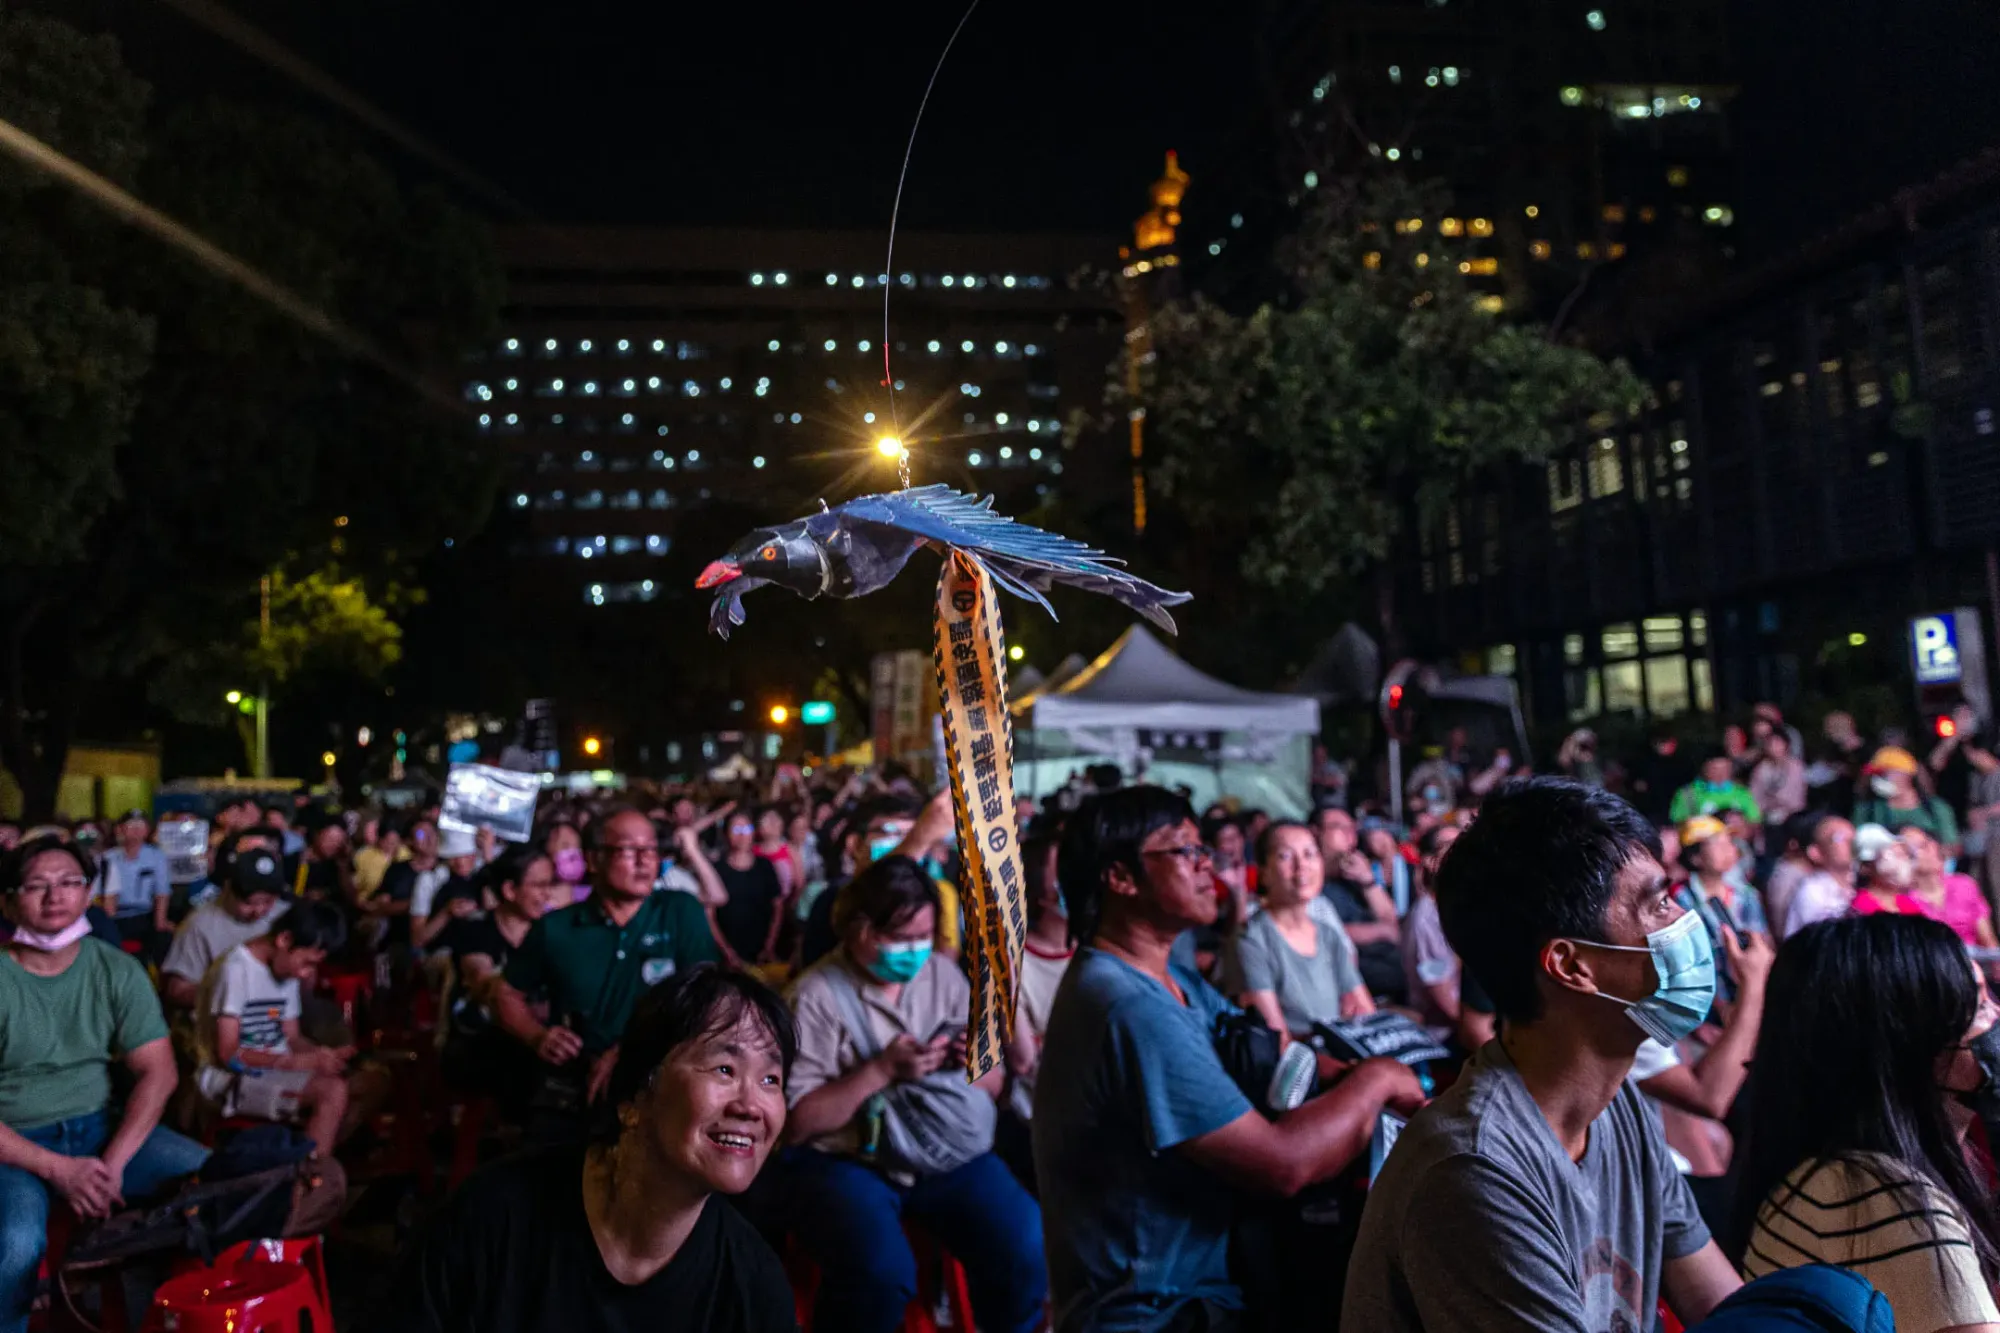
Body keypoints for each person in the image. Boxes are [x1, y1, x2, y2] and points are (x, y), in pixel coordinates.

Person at [1342, 777, 1740, 1333]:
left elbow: (1722, 1303)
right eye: (1658, 905)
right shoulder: (1475, 1170)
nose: (1685, 926)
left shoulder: (1621, 1106)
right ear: (1572, 965)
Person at [1037, 787, 1426, 1331]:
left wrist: (1351, 1074)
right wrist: (1378, 1079)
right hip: (1155, 1313)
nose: (1208, 867)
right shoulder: (1127, 1006)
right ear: (1121, 878)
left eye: (1204, 851)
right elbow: (1281, 1165)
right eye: (1184, 852)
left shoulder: (1175, 982)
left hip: (1205, 1286)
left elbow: (1271, 1052)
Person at [384, 966, 799, 1333]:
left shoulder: (751, 1284)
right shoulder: (493, 1219)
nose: (751, 1107)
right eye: (725, 1069)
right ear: (634, 1098)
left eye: (770, 1080)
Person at [782, 855, 1045, 1333]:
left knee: (1025, 1245)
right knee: (880, 1275)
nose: (914, 951)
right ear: (857, 928)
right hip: (851, 1164)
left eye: (923, 937)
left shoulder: (942, 977)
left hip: (949, 1155)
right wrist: (880, 1070)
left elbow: (996, 1085)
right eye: (900, 939)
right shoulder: (814, 997)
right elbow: (796, 1123)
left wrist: (974, 1062)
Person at [1733, 914, 2000, 1332]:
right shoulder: (1894, 1206)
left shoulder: (1840, 1172)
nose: (1997, 1016)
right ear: (1911, 1044)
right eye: (1980, 1005)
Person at [0, 836, 209, 1333]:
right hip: (16, 1146)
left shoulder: (116, 969)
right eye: (37, 886)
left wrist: (109, 1166)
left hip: (100, 1133)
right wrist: (59, 1170)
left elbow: (159, 1073)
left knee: (215, 1184)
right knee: (16, 1242)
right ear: (7, 901)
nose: (56, 897)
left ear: (89, 893)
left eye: (70, 883)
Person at [494, 809, 722, 1114]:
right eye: (629, 850)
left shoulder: (680, 911)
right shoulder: (557, 928)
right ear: (593, 859)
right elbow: (506, 994)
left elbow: (707, 997)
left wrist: (626, 1052)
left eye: (651, 849)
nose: (645, 860)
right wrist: (537, 1036)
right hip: (575, 1088)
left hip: (661, 1087)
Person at [193, 901, 358, 1152]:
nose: (306, 974)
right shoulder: (235, 970)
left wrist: (322, 1056)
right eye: (307, 963)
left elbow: (292, 1038)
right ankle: (310, 1183)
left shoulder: (286, 970)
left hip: (277, 1068)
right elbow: (228, 1054)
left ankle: (299, 1159)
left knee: (369, 1082)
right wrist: (294, 1063)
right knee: (332, 1092)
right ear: (284, 939)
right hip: (231, 1078)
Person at [440, 846, 572, 1113]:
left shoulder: (551, 933)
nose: (547, 894)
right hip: (479, 1042)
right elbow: (483, 981)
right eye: (539, 886)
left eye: (551, 884)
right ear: (510, 890)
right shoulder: (476, 930)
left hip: (541, 1039)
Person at [1225, 821, 1372, 1040]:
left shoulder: (1327, 934)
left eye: (1310, 854)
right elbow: (1276, 1039)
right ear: (1263, 872)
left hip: (1340, 1049)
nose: (1301, 866)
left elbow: (1365, 1010)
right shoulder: (1251, 939)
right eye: (1285, 856)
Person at [998, 834, 1072, 1190]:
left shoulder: (1102, 949)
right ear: (1044, 895)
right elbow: (1024, 1061)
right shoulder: (1012, 965)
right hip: (1039, 1127)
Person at [159, 840, 291, 1012]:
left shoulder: (286, 916)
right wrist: (227, 993)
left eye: (267, 902)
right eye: (250, 903)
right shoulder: (200, 924)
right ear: (228, 888)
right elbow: (177, 991)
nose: (259, 910)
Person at [1674, 816, 1768, 1011]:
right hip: (1704, 1005)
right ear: (1695, 857)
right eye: (1717, 844)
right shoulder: (1681, 900)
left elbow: (1761, 941)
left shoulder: (1747, 895)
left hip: (1744, 995)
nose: (1729, 850)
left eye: (1730, 843)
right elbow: (1683, 964)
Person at [1311, 805, 1404, 1002]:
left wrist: (1368, 882)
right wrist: (1379, 931)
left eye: (1352, 828)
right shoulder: (1308, 878)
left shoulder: (1356, 873)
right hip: (1345, 967)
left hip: (1383, 957)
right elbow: (1312, 929)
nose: (1349, 834)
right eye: (1338, 827)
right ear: (1315, 832)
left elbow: (1390, 920)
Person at [1400, 824, 1465, 1033]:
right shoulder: (1426, 920)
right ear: (1430, 861)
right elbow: (1448, 1004)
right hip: (1449, 1035)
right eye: (1452, 846)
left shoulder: (1461, 906)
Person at [1902, 825, 1998, 948]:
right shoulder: (1903, 898)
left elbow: (1988, 940)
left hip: (1973, 962)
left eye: (1927, 843)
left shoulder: (1964, 884)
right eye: (1918, 847)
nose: (1930, 849)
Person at [1853, 746, 1960, 854]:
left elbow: (1951, 848)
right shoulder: (1867, 810)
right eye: (1875, 775)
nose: (1877, 780)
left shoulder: (1936, 808)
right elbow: (1855, 849)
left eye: (1884, 774)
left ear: (1905, 774)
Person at [714, 812, 786, 966]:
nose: (742, 835)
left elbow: (778, 906)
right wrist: (726, 951)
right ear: (726, 834)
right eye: (736, 830)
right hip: (727, 951)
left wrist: (769, 945)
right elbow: (709, 914)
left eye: (747, 829)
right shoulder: (716, 869)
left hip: (762, 949)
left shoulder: (764, 865)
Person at [1776, 813, 1857, 940]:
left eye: (1853, 835)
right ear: (1816, 852)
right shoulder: (1812, 891)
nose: (1851, 841)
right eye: (1839, 837)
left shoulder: (1861, 882)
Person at [102, 808, 171, 952]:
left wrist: (160, 922)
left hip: (144, 915)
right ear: (120, 829)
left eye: (141, 826)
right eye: (131, 826)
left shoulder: (156, 856)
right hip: (115, 916)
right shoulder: (108, 857)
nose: (136, 830)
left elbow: (162, 891)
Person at [1670, 753, 1763, 826]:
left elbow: (1755, 822)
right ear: (1704, 769)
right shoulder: (1687, 794)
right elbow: (1678, 823)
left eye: (1725, 769)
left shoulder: (1742, 792)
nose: (1721, 775)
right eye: (1715, 770)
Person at [1748, 729, 1808, 841]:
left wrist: (1773, 802)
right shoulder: (1760, 769)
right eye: (1770, 743)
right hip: (1766, 816)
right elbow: (1754, 795)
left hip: (1792, 815)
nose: (1773, 747)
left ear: (1786, 745)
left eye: (1777, 743)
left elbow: (1792, 797)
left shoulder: (1796, 767)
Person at [1360, 818, 1414, 918]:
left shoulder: (1411, 868)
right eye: (1375, 840)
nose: (1382, 843)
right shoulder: (1368, 872)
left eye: (1385, 836)